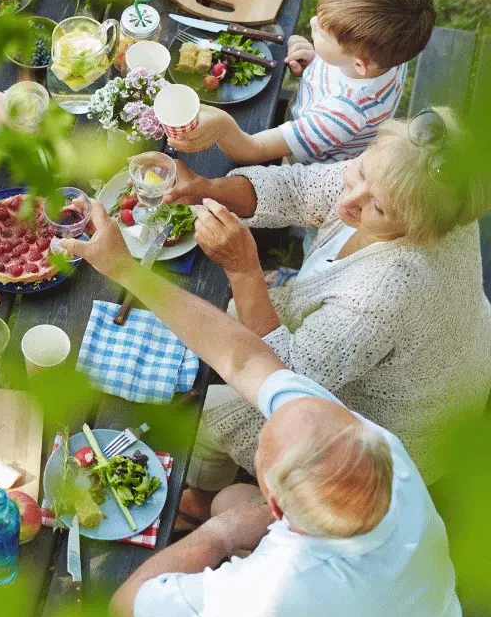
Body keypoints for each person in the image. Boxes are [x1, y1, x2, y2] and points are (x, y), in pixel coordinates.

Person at [56, 203, 466, 617]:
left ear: (278, 509)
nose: (282, 406)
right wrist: (123, 267)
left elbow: (126, 613)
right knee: (229, 496)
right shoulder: (381, 451)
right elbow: (245, 357)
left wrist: (221, 535)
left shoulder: (271, 595)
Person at [162, 108, 490, 501]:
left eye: (378, 209)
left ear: (420, 230)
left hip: (388, 438)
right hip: (425, 358)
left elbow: (287, 380)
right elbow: (301, 189)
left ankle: (200, 496)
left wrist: (244, 270)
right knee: (217, 319)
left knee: (209, 418)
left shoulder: (384, 293)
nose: (349, 201)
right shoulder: (421, 189)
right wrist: (208, 187)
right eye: (362, 172)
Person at [168, 0, 434, 165]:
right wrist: (317, 59)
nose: (313, 22)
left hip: (308, 162)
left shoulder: (342, 114)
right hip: (314, 118)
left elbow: (253, 150)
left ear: (359, 64)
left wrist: (224, 126)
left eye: (323, 32)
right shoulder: (388, 54)